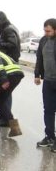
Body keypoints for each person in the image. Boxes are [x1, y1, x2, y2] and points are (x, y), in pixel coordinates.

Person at [0, 11, 20, 125]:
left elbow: (12, 44)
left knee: (5, 91)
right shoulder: (8, 28)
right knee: (6, 92)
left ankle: (6, 119)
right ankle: (3, 114)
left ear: (0, 21)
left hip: (10, 64)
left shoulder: (8, 29)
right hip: (10, 62)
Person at [34, 18, 56, 152]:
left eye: (48, 31)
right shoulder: (43, 40)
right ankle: (50, 137)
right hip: (48, 81)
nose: (46, 33)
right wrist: (37, 74)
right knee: (48, 110)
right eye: (45, 30)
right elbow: (39, 58)